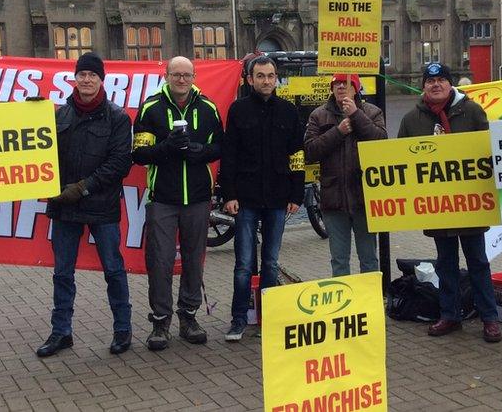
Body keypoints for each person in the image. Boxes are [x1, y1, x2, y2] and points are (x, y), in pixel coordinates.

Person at [37, 52, 133, 358]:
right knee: (62, 273)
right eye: (82, 75)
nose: (87, 80)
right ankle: (61, 332)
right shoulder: (58, 115)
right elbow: (42, 156)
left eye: (92, 75)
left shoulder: (117, 117)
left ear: (101, 80)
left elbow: (119, 163)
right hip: (64, 207)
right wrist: (29, 120)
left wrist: (82, 188)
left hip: (101, 206)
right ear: (74, 78)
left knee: (114, 270)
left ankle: (122, 330)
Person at [398, 63, 502, 343]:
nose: (435, 85)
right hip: (438, 206)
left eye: (441, 80)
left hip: (470, 203)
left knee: (478, 261)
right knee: (446, 262)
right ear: (423, 86)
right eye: (430, 80)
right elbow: (400, 162)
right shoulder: (412, 119)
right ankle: (450, 314)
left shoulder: (472, 111)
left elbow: (489, 151)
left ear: (450, 84)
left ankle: (489, 318)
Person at [132, 56, 223, 351]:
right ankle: (160, 321)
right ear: (167, 75)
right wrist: (166, 148)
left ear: (194, 76)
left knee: (194, 259)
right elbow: (139, 154)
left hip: (197, 198)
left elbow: (220, 146)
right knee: (160, 261)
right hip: (163, 199)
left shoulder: (208, 108)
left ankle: (189, 317)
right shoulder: (150, 107)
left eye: (186, 75)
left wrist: (201, 151)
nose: (181, 80)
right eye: (176, 75)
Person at [220, 56, 304, 341]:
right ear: (250, 79)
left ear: (276, 78)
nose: (266, 80)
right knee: (243, 264)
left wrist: (297, 193)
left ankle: (268, 318)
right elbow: (228, 155)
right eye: (260, 76)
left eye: (270, 75)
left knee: (270, 261)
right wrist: (228, 194)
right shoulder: (238, 110)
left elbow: (297, 156)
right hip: (246, 198)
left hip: (279, 198)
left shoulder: (289, 111)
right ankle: (239, 319)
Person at [304, 73, 387, 276]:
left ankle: (371, 304)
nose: (341, 87)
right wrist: (338, 131)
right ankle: (344, 307)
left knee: (368, 260)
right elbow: (310, 150)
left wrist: (357, 115)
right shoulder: (318, 115)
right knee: (339, 261)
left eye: (346, 83)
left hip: (364, 199)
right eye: (337, 83)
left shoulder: (372, 111)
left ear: (356, 88)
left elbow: (382, 142)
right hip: (334, 199)